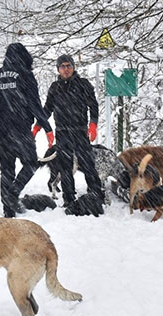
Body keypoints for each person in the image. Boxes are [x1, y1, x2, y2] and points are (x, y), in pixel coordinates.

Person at [0, 43, 54, 218]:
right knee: (30, 163)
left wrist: (0, 119)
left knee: (6, 170)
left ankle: (8, 211)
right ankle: (12, 194)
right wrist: (47, 128)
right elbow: (35, 105)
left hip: (1, 132)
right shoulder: (26, 76)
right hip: (21, 130)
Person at [38, 54, 104, 210]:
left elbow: (93, 106)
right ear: (58, 69)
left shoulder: (83, 84)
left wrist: (93, 124)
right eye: (62, 66)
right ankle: (68, 199)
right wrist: (38, 125)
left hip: (80, 131)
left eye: (69, 66)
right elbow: (47, 109)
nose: (66, 69)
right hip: (62, 133)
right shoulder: (55, 87)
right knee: (65, 168)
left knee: (88, 164)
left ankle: (96, 195)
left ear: (73, 67)